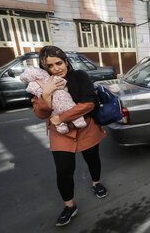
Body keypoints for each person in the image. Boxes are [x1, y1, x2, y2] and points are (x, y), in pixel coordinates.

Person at [31, 45, 107, 227]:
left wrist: (62, 117)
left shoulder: (79, 76)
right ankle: (70, 206)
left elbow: (88, 103)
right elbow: (40, 114)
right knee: (64, 171)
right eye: (50, 66)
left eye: (59, 63)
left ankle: (96, 183)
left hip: (86, 127)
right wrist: (46, 94)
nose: (56, 69)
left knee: (92, 159)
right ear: (44, 68)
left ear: (66, 61)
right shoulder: (40, 82)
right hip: (60, 133)